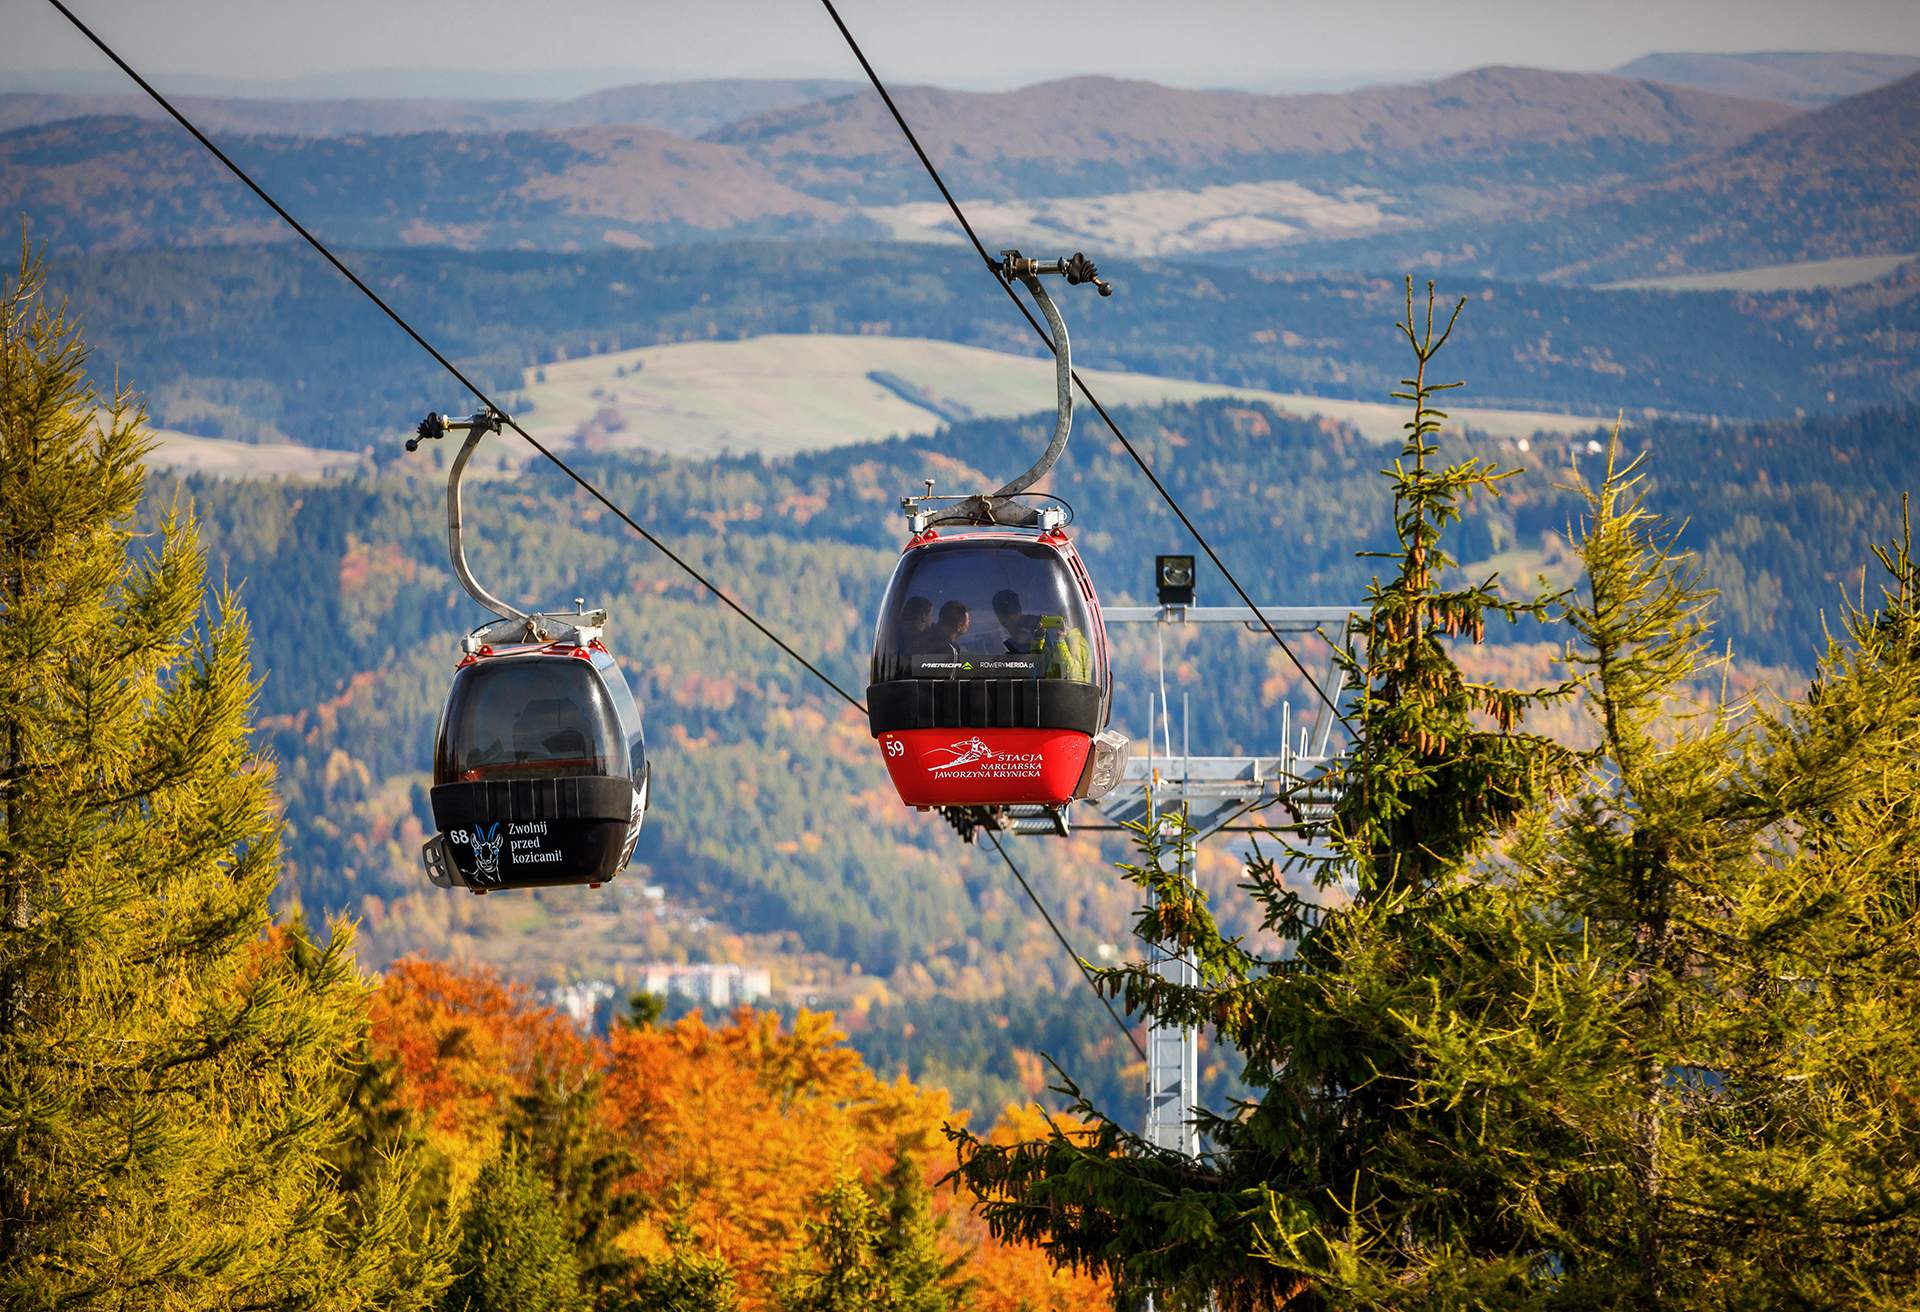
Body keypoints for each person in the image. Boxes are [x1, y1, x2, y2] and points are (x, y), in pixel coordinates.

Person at [992, 589, 1040, 654]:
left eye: (1014, 609)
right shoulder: (991, 641)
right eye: (1004, 612)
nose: (1010, 616)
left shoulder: (1040, 628)